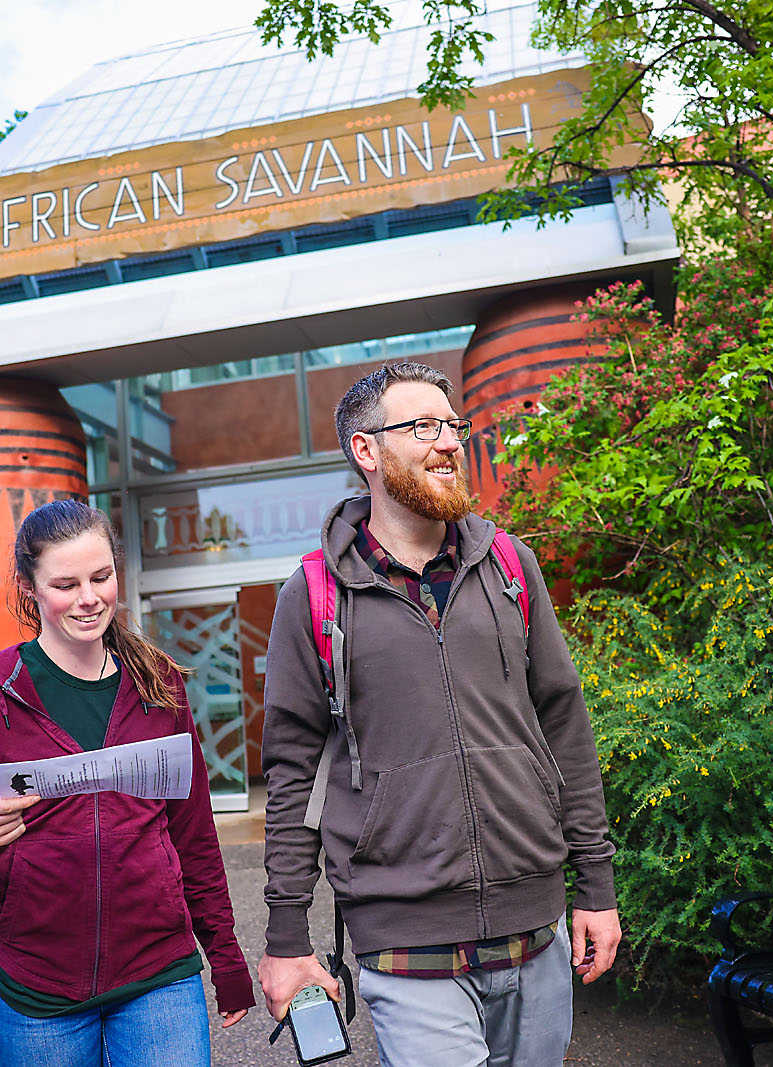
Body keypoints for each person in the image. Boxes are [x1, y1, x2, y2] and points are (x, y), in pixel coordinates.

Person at [258, 362, 621, 1066]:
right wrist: (286, 936)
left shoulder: (509, 566)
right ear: (366, 450)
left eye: (452, 425)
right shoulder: (313, 596)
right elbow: (293, 777)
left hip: (535, 928)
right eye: (421, 426)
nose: (449, 441)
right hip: (405, 941)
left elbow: (564, 727)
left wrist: (596, 887)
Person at [0, 498, 254, 1067]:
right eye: (65, 584)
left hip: (159, 976)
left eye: (101, 577)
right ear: (29, 587)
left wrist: (226, 957)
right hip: (37, 990)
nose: (89, 599)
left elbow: (194, 837)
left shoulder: (158, 685)